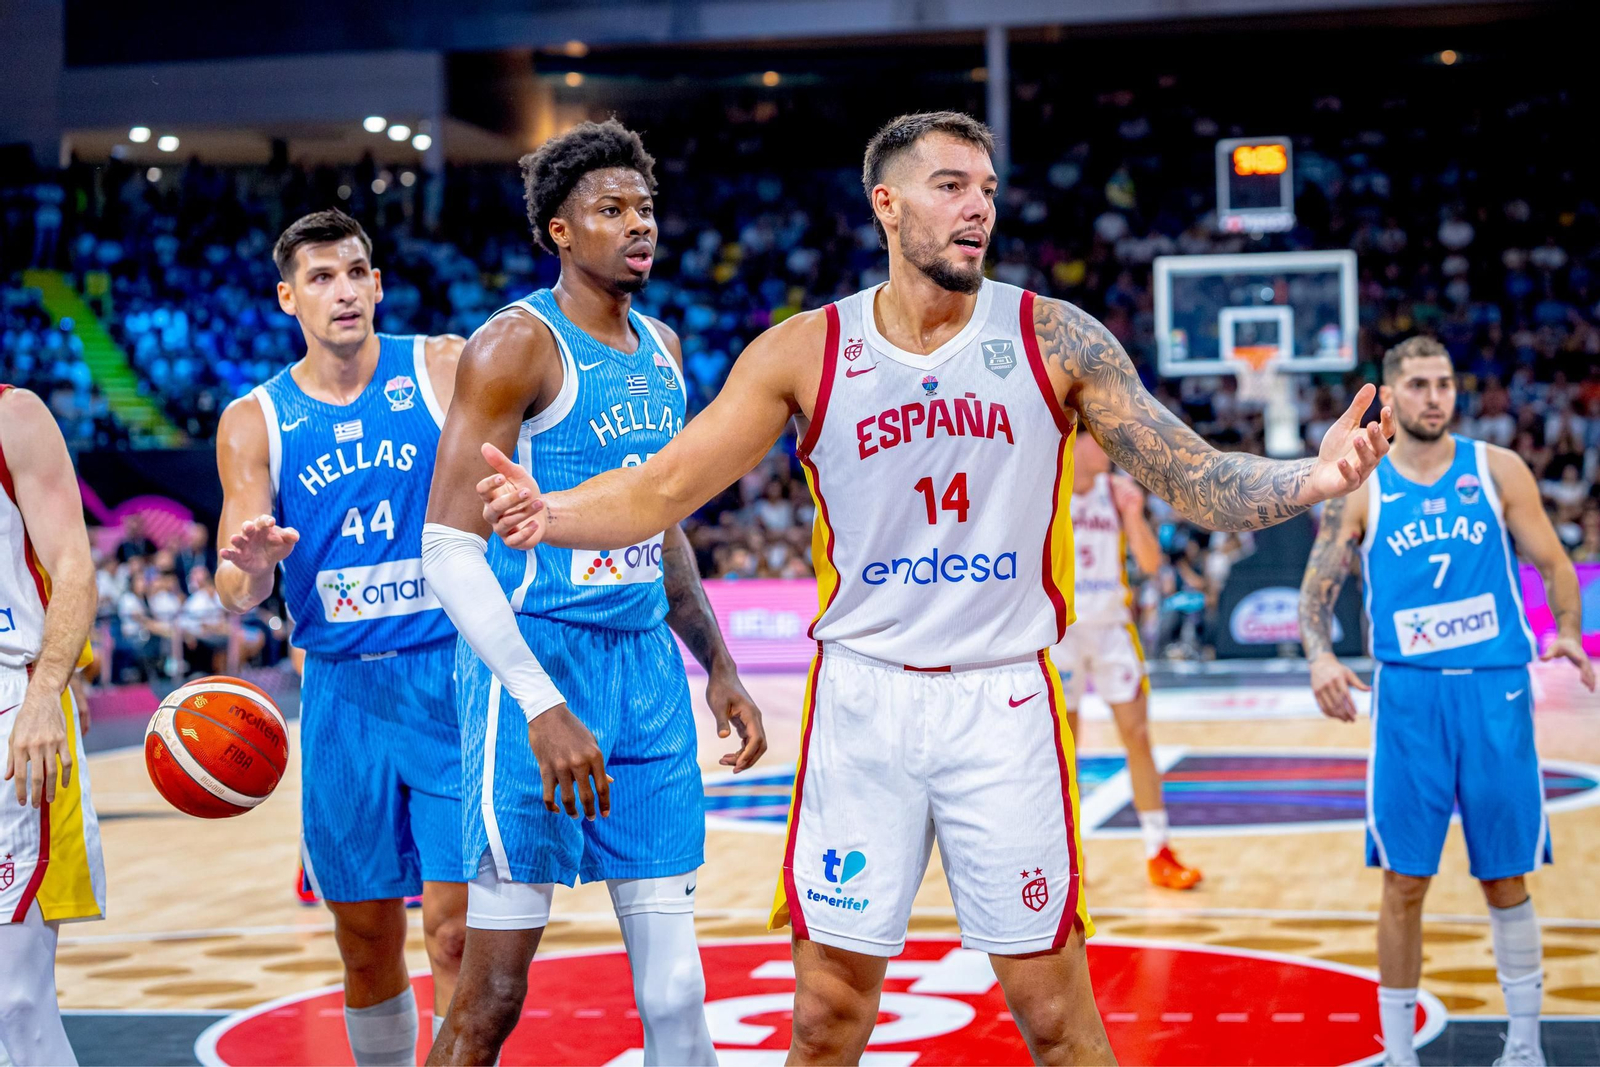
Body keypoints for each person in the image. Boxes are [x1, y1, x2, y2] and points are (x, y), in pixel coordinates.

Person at [476, 110, 1393, 1064]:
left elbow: (1193, 471)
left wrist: (1310, 478)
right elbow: (664, 486)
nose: (978, 208)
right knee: (827, 1015)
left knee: (1056, 1014)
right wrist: (555, 511)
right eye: (951, 185)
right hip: (863, 701)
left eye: (988, 190)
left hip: (1003, 699)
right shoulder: (805, 349)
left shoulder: (1056, 337)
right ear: (887, 202)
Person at [419, 120, 767, 1066]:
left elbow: (659, 523)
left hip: (646, 671)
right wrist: (539, 701)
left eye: (645, 208)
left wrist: (719, 663)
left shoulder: (662, 347)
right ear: (560, 232)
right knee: (491, 992)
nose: (637, 224)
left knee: (678, 986)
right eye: (611, 210)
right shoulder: (513, 347)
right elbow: (446, 548)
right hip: (532, 661)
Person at [213, 209, 468, 1065]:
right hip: (340, 694)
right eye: (321, 278)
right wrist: (250, 564)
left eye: (357, 271)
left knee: (457, 928)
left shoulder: (440, 365)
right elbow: (235, 590)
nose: (344, 290)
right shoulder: (255, 419)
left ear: (379, 283)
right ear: (289, 297)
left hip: (449, 679)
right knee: (364, 938)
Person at [1299, 336, 1595, 1067]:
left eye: (1446, 382)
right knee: (1404, 879)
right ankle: (1400, 1056)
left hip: (1495, 690)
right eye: (1421, 384)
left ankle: (1524, 1045)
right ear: (1391, 397)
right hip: (1407, 699)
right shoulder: (1364, 483)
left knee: (1505, 875)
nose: (1437, 396)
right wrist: (1320, 654)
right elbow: (1318, 585)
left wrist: (1566, 631)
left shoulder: (1498, 471)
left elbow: (1554, 562)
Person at [0, 384, 104, 1066]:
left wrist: (48, 689)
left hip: (11, 705)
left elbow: (73, 563)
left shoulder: (13, 415)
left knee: (13, 999)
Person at [1051, 434, 1201, 889]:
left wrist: (1134, 513)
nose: (1107, 452)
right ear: (1073, 446)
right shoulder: (1048, 488)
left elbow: (1153, 564)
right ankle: (1064, 858)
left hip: (1112, 628)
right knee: (1062, 750)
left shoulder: (1117, 494)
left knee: (1137, 735)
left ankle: (1159, 849)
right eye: (1097, 444)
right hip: (1061, 632)